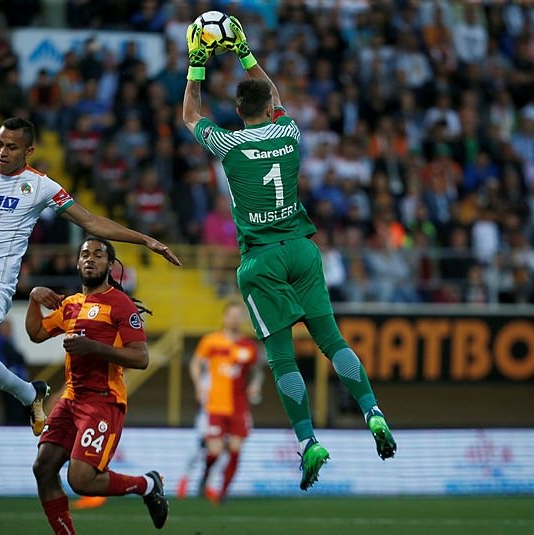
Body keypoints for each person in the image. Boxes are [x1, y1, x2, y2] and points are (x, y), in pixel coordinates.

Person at [0, 117, 180, 480]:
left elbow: (91, 222)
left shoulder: (41, 186)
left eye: (11, 147)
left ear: (29, 151)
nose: (2, 152)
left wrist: (145, 239)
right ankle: (30, 393)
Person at [182, 19, 396, 490]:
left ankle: (308, 441)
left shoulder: (229, 143)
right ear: (269, 107)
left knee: (282, 360)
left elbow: (191, 117)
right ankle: (373, 411)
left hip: (262, 260)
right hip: (302, 249)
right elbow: (273, 93)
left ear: (238, 110)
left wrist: (197, 65)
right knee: (332, 341)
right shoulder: (290, 132)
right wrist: (244, 51)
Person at [27, 237, 168, 532]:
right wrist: (34, 297)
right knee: (43, 467)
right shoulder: (71, 304)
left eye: (98, 255)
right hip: (71, 399)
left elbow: (141, 358)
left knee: (81, 481)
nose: (90, 258)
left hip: (103, 400)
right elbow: (36, 333)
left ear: (110, 264)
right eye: (84, 254)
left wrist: (93, 347)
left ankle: (147, 484)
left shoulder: (120, 303)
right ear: (78, 262)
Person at [189, 301, 264, 503]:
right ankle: (206, 475)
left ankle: (223, 492)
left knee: (235, 450)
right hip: (215, 404)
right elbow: (195, 363)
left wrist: (255, 384)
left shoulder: (249, 347)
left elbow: (258, 372)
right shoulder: (211, 341)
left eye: (239, 315)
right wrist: (199, 385)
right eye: (231, 315)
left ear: (243, 319)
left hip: (239, 406)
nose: (235, 319)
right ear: (224, 317)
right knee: (214, 450)